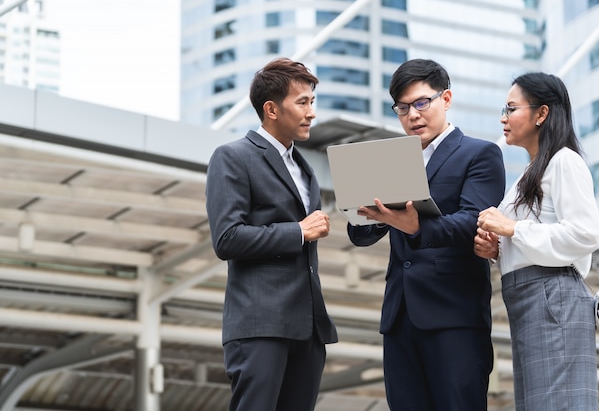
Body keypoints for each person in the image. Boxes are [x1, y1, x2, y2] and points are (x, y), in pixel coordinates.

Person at [347, 58, 506, 411]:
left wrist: (415, 226)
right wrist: (371, 216)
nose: (412, 115)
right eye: (402, 108)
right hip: (400, 317)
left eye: (422, 103)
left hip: (454, 316)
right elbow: (358, 234)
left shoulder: (479, 154)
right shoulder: (388, 159)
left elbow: (473, 221)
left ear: (446, 98)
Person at [205, 57, 338, 411]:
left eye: (313, 102)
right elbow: (227, 238)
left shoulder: (305, 167)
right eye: (303, 102)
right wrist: (297, 231)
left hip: (308, 329)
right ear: (271, 109)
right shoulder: (233, 157)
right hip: (260, 324)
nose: (312, 112)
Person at [474, 72, 599, 411]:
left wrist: (512, 230)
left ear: (541, 114)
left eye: (511, 108)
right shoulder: (528, 174)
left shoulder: (564, 161)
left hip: (552, 296)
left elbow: (586, 233)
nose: (503, 117)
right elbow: (533, 236)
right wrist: (497, 249)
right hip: (532, 298)